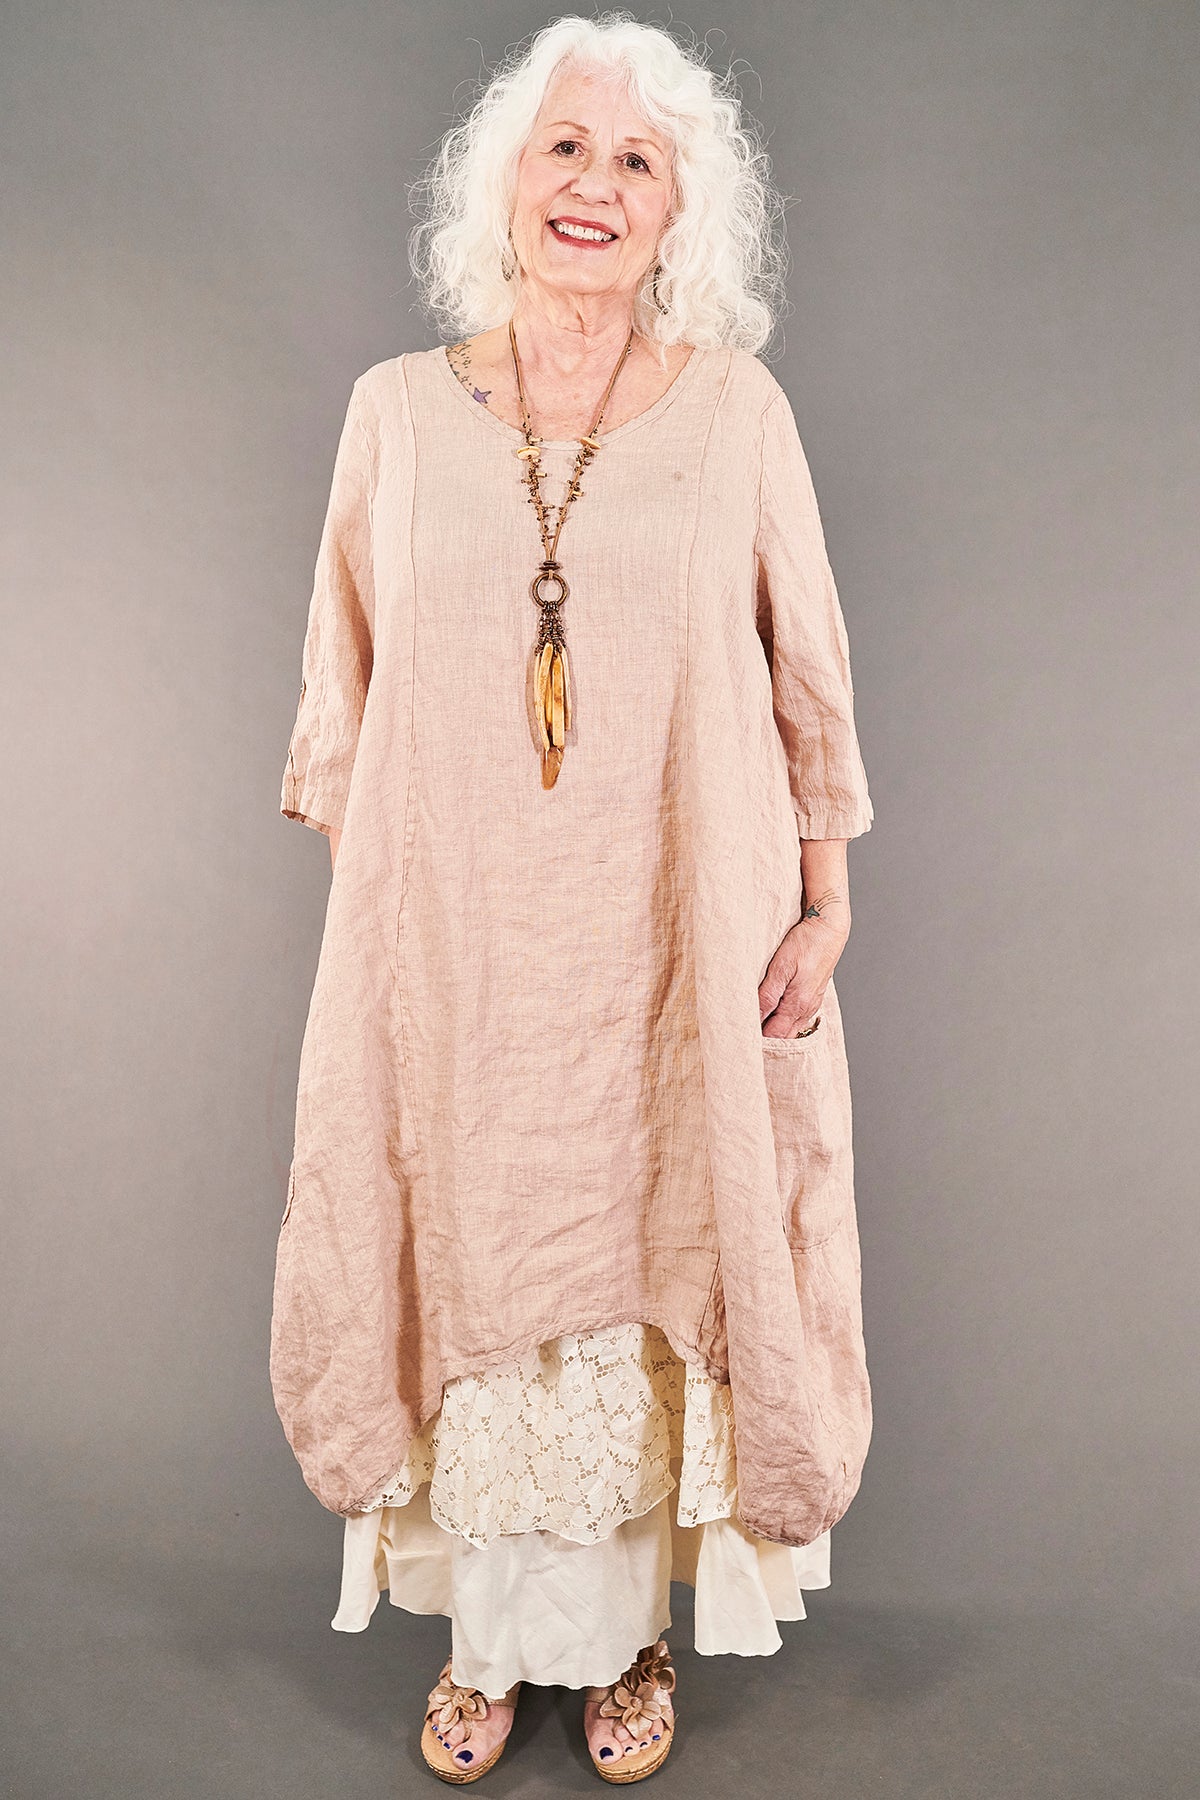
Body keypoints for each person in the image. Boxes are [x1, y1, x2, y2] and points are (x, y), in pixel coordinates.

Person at [271, 12, 875, 1785]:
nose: (594, 184)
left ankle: (626, 1642)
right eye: (564, 147)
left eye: (636, 158)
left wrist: (823, 902)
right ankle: (484, 1642)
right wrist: (396, 940)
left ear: (682, 209)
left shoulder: (737, 413)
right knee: (472, 1255)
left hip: (669, 948)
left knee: (650, 1252)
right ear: (504, 184)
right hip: (463, 956)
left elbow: (809, 676)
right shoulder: (394, 414)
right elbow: (341, 695)